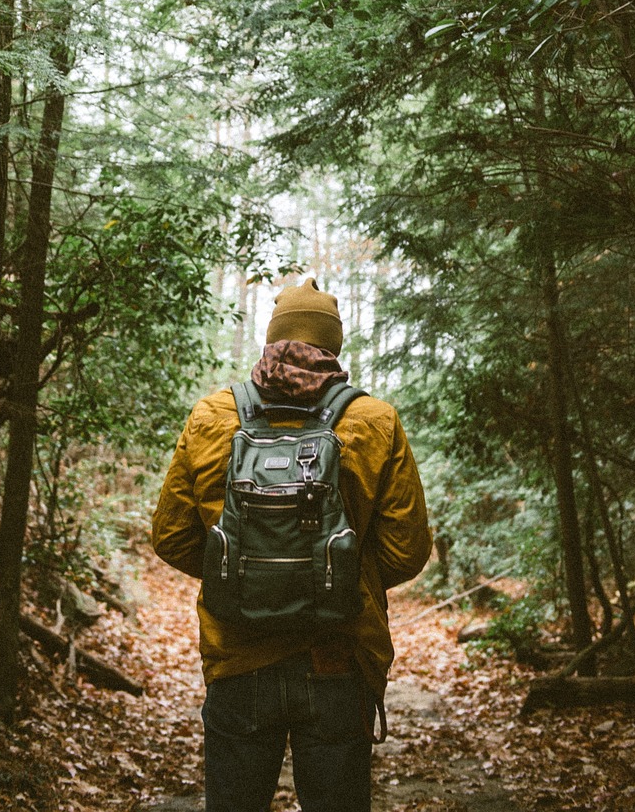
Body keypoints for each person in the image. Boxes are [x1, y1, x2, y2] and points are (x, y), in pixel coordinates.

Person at [152, 276, 432, 812]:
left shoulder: (212, 416)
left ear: (272, 338)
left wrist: (240, 575)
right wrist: (336, 575)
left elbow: (170, 537)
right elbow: (407, 551)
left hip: (237, 655)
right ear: (333, 345)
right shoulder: (374, 421)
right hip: (337, 656)